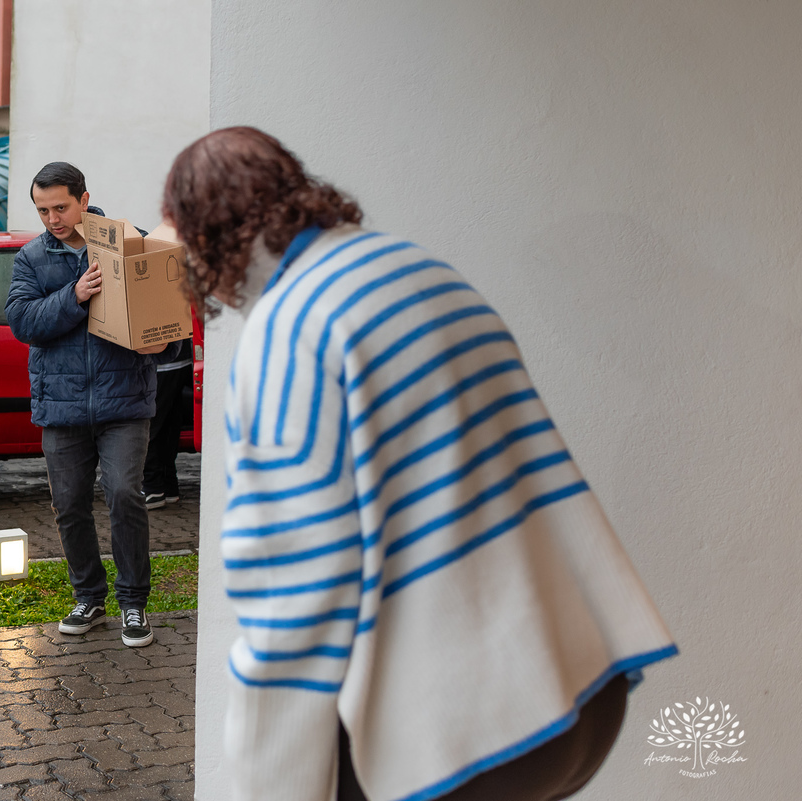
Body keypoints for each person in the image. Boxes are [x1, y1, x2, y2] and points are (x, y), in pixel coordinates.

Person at [161, 127, 677, 801]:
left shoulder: (291, 328)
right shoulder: (416, 267)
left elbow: (295, 592)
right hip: (583, 686)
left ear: (208, 234)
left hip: (475, 734)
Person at [5, 161, 158, 648]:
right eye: (43, 209)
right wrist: (73, 296)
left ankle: (133, 604)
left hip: (124, 402)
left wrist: (163, 343)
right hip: (62, 407)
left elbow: (164, 315)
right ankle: (88, 598)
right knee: (69, 505)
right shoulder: (31, 258)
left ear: (84, 199)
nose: (52, 218)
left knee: (124, 496)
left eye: (61, 207)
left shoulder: (128, 243)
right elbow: (22, 322)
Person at [142, 336, 193, 509]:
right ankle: (168, 486)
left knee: (150, 426)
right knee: (169, 424)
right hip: (179, 356)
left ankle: (152, 488)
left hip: (157, 358)